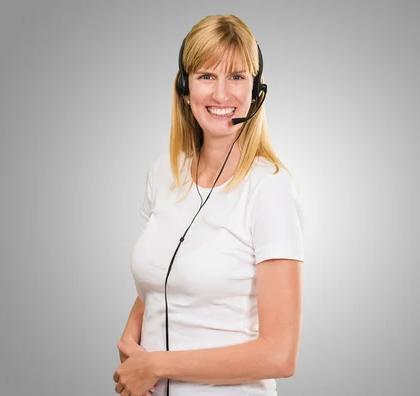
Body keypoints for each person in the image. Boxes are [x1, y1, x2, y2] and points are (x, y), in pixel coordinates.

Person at [113, 14, 304, 396]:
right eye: (206, 76)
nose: (221, 95)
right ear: (185, 89)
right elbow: (161, 281)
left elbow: (280, 355)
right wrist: (131, 346)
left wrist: (155, 365)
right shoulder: (163, 173)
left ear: (256, 91)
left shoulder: (270, 188)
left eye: (236, 77)